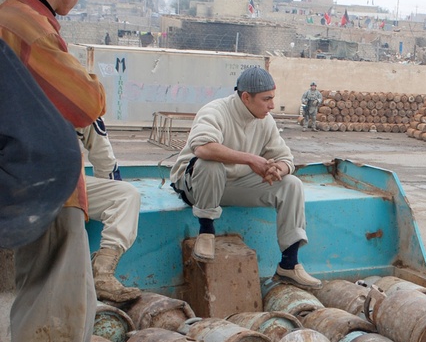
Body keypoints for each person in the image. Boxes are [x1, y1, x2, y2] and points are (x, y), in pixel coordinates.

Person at [1, 0, 110, 342]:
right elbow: (86, 102)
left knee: (51, 298)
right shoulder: (26, 26)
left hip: (29, 183)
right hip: (45, 184)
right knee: (56, 306)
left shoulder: (16, 18)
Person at [169, 66, 321, 288]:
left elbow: (286, 159)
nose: (271, 105)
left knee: (291, 185)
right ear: (246, 97)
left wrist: (277, 169)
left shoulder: (265, 120)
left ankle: (289, 265)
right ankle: (206, 231)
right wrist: (251, 159)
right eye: (266, 99)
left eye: (272, 98)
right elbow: (202, 148)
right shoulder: (215, 111)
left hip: (233, 185)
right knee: (210, 165)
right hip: (197, 186)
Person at [80, 117, 142, 303]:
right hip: (14, 184)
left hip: (64, 182)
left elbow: (104, 159)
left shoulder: (80, 99)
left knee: (126, 195)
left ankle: (102, 273)